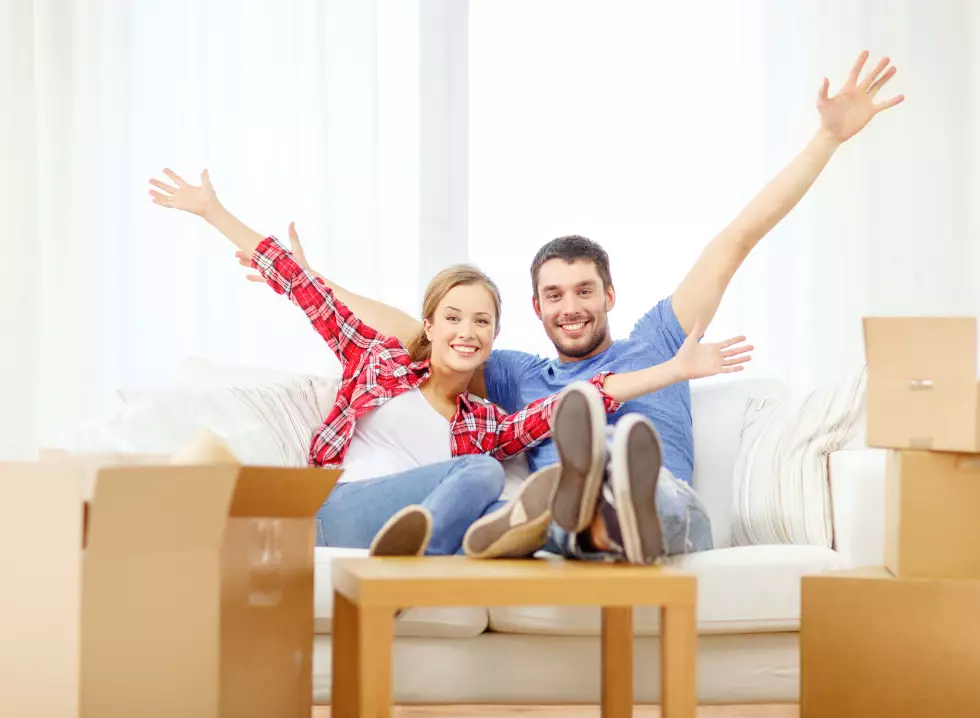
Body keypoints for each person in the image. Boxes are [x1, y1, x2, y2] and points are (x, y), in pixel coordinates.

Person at [234, 50, 904, 564]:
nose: (571, 307)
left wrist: (826, 140)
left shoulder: (659, 338)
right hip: (562, 510)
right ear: (535, 308)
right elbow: (421, 332)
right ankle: (580, 514)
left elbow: (736, 239)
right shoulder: (517, 375)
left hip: (665, 502)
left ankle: (611, 501)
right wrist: (309, 282)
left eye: (584, 291)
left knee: (653, 498)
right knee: (550, 505)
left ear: (609, 294)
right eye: (554, 296)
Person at [148, 170, 754, 560]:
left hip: (419, 513)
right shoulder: (377, 358)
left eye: (482, 323)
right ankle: (426, 555)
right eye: (454, 318)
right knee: (480, 474)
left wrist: (673, 370)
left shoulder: (485, 421)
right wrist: (212, 211)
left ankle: (573, 526)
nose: (466, 331)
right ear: (429, 327)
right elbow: (302, 286)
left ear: (494, 339)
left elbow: (584, 395)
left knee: (502, 495)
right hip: (337, 508)